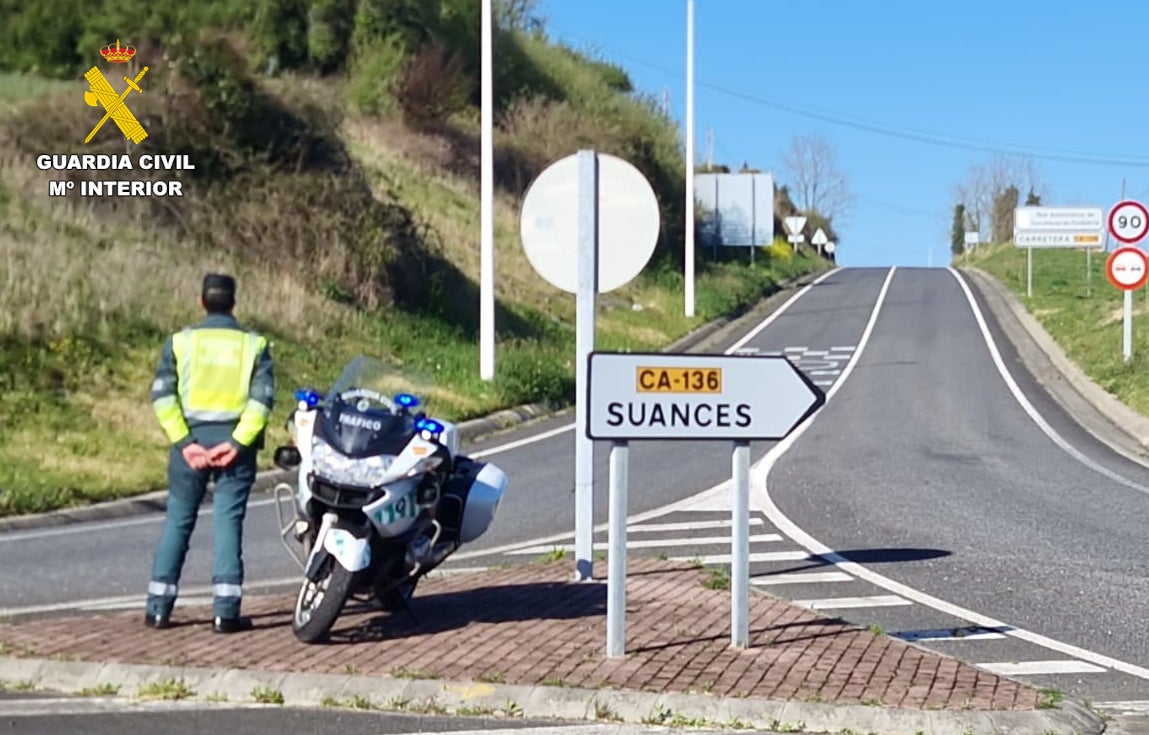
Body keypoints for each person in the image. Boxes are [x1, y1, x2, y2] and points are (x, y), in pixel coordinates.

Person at [144, 273, 275, 633]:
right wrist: (236, 443)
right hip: (235, 450)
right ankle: (226, 612)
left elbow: (163, 397)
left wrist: (186, 443)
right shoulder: (254, 345)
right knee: (228, 521)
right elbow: (262, 402)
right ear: (234, 303)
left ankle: (158, 609)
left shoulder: (181, 342)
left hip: (190, 446)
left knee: (178, 520)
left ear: (201, 301)